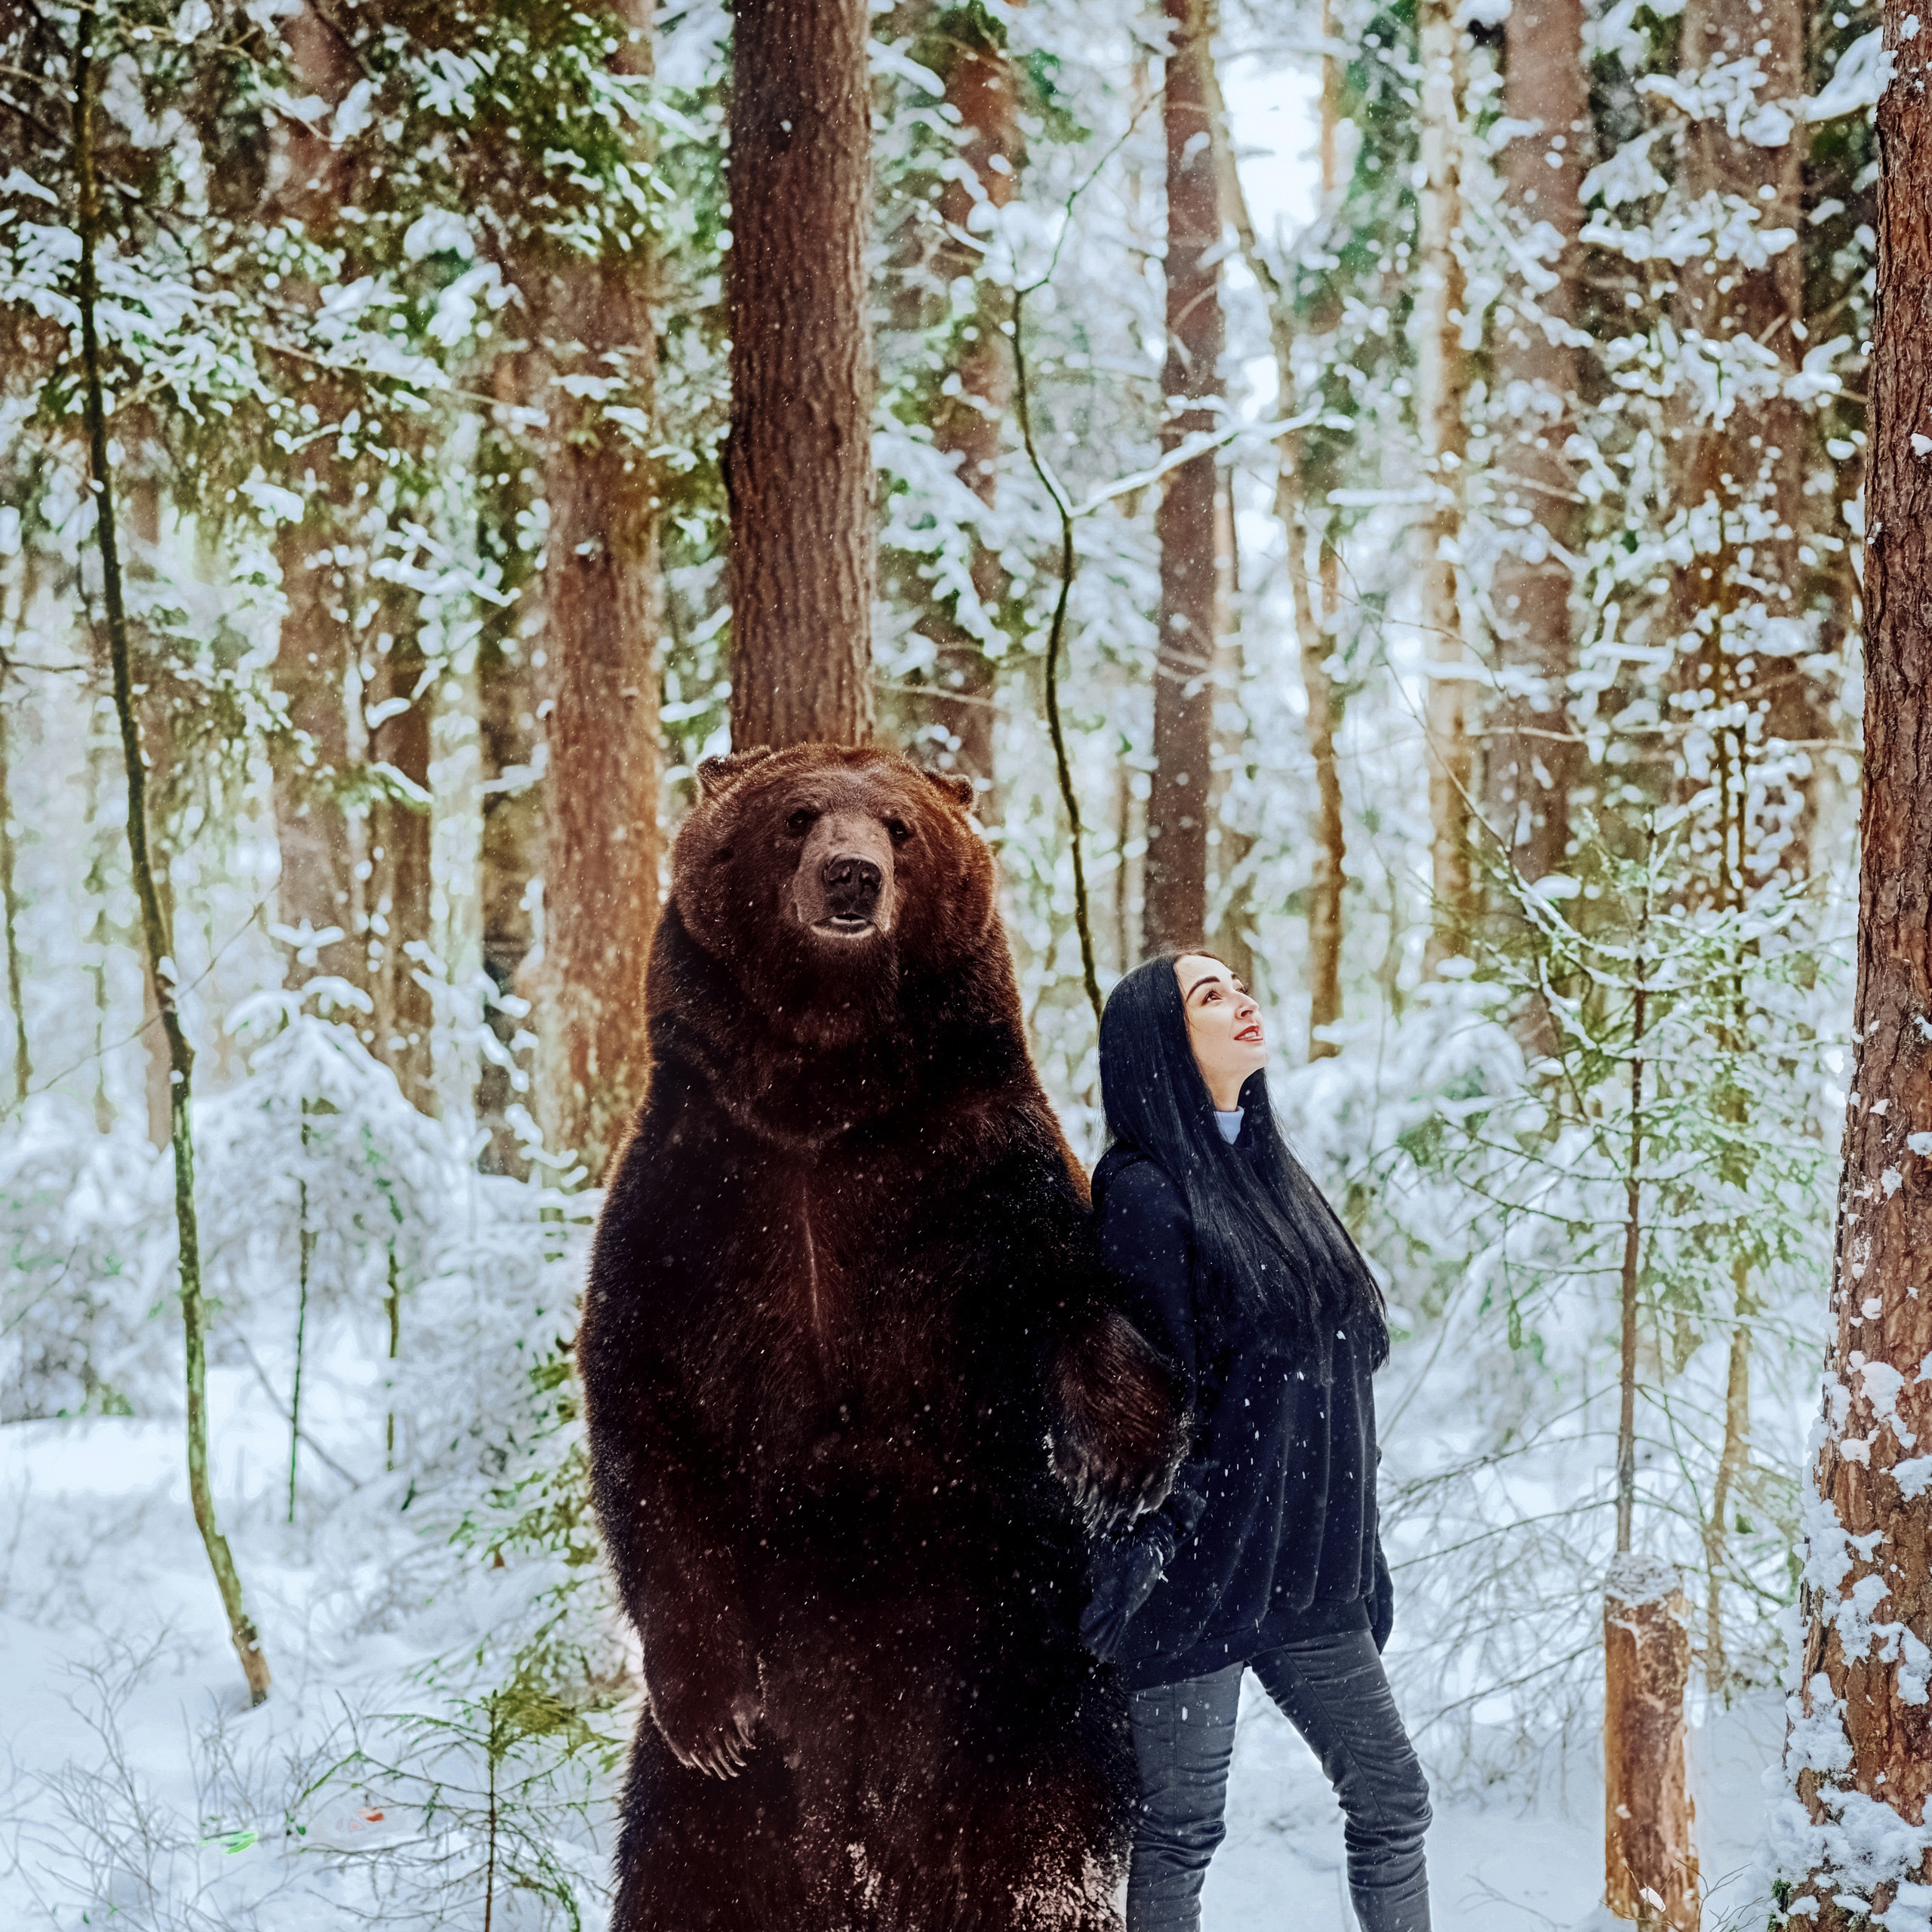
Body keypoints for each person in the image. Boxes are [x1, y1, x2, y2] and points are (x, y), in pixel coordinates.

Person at [1081, 952, 1431, 1932]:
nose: (1242, 1002)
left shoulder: (1272, 1175)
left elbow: (1335, 1389)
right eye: (1209, 996)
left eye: (1239, 985)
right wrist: (1143, 1550)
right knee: (1183, 1832)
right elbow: (1151, 1399)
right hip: (1196, 1583)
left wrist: (1362, 1556)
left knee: (1394, 1800)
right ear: (1161, 1043)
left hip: (1310, 1581)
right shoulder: (1145, 1195)